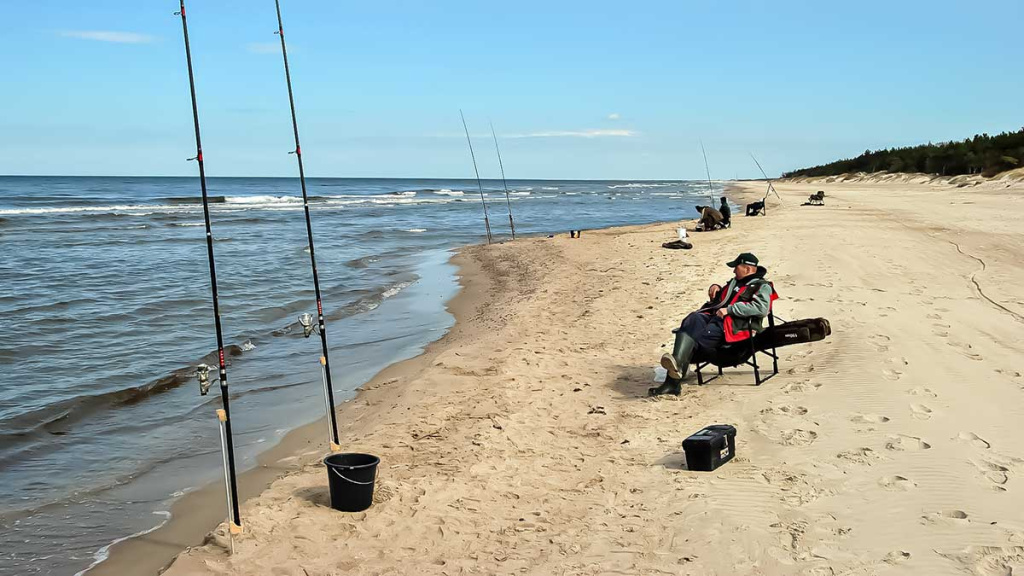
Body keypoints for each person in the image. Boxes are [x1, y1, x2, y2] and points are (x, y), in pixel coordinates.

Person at [649, 252, 777, 396]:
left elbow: (761, 308)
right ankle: (677, 365)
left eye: (736, 267)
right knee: (693, 318)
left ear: (747, 269)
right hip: (715, 318)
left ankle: (673, 378)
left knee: (692, 337)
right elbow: (724, 297)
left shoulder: (762, 286)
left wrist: (730, 310)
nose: (734, 271)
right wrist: (715, 288)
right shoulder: (735, 282)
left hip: (733, 326)